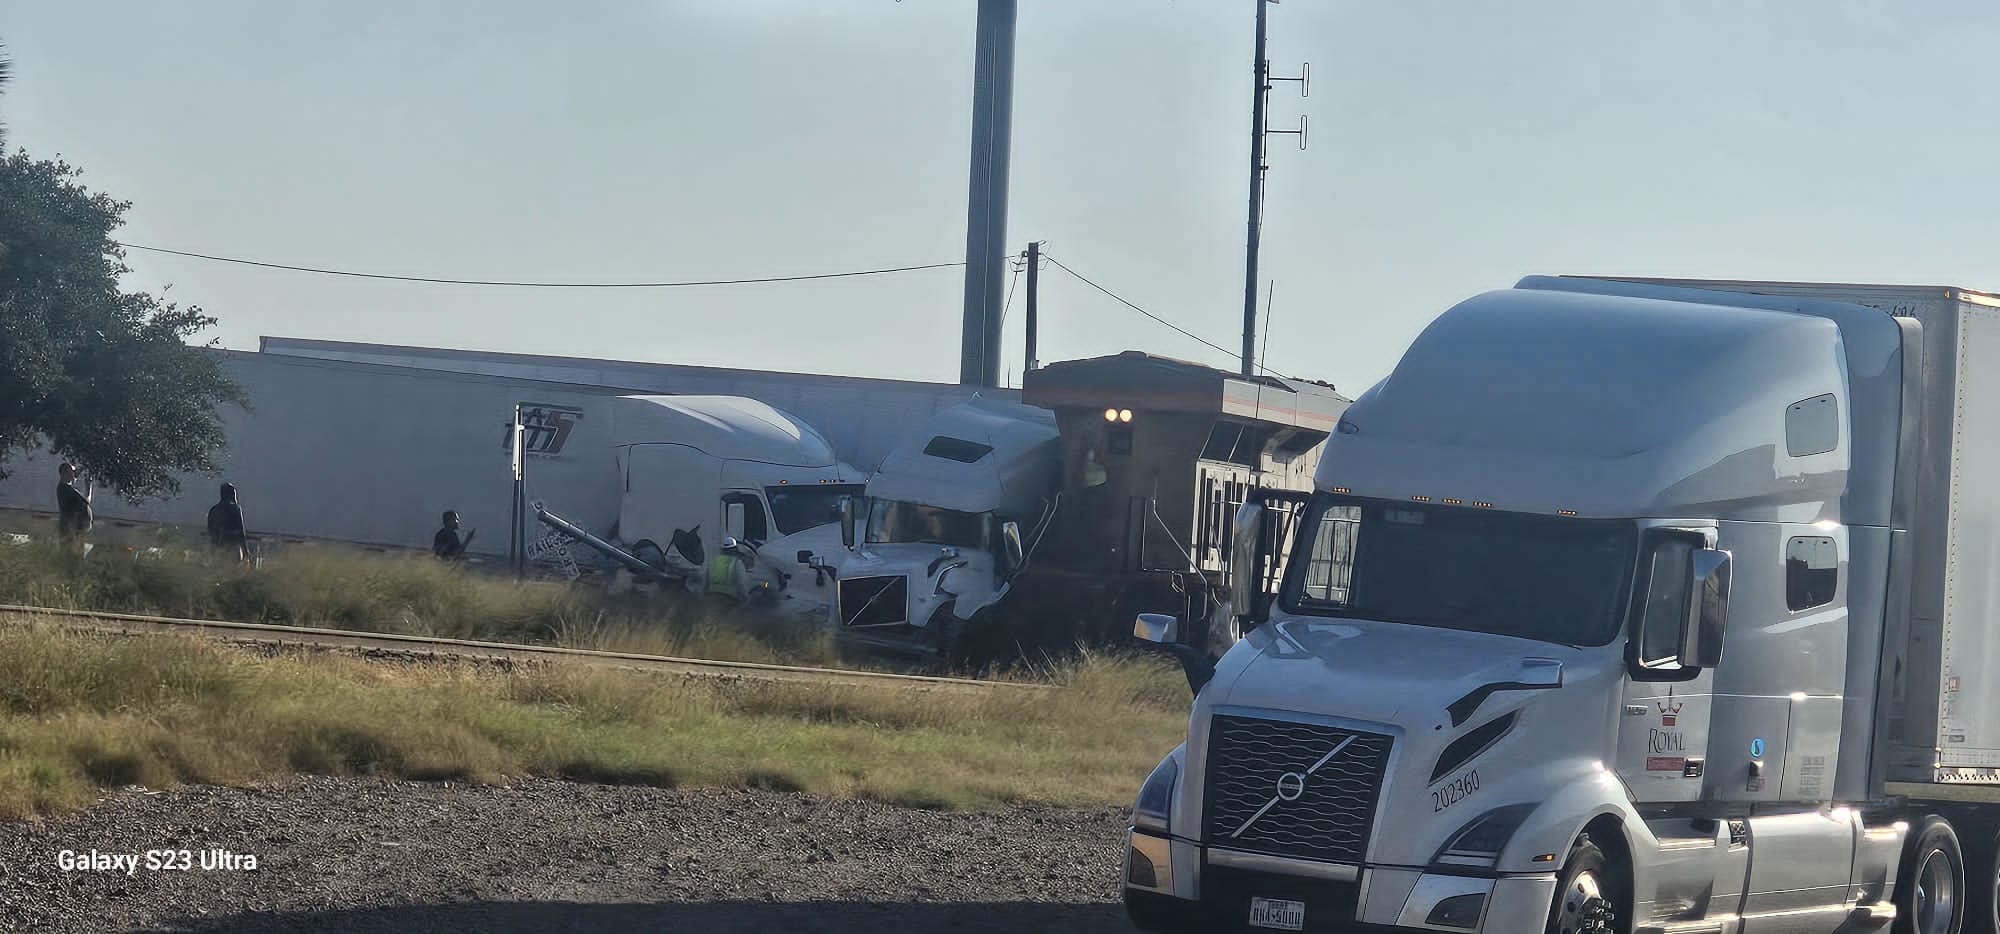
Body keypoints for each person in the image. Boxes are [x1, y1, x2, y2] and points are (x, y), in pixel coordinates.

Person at [55, 462, 92, 555]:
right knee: (73, 557)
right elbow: (86, 500)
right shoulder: (67, 490)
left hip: (73, 530)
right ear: (65, 473)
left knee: (72, 555)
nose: (74, 474)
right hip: (72, 531)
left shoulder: (63, 488)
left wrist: (83, 468)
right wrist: (88, 486)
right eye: (72, 471)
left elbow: (74, 476)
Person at [206, 483, 248, 565]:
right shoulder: (235, 508)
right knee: (232, 571)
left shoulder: (214, 509)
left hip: (217, 547)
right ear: (232, 494)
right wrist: (245, 551)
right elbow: (241, 531)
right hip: (232, 547)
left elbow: (210, 531)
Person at [705, 536, 751, 604]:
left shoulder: (714, 561)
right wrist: (746, 598)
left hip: (711, 596)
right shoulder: (737, 563)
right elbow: (741, 584)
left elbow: (706, 580)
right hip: (729, 599)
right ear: (735, 549)